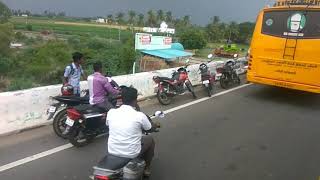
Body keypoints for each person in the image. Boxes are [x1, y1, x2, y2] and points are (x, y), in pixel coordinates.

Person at [106, 87, 156, 176]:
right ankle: (147, 169)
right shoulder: (139, 115)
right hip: (131, 153)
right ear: (135, 100)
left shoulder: (111, 112)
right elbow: (149, 128)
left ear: (122, 99)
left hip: (112, 150)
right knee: (150, 139)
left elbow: (108, 124)